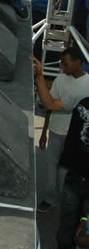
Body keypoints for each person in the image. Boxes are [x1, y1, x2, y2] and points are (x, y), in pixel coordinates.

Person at [33, 57, 89, 249]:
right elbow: (49, 103)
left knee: (84, 229)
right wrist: (39, 76)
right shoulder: (81, 99)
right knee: (68, 225)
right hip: (75, 178)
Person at [35, 47, 89, 212]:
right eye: (62, 65)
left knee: (65, 170)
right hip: (56, 131)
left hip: (74, 138)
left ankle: (65, 199)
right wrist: (44, 132)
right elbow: (50, 105)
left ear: (78, 62)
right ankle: (51, 198)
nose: (63, 68)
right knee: (52, 165)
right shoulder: (60, 81)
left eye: (66, 64)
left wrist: (39, 76)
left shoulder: (86, 85)